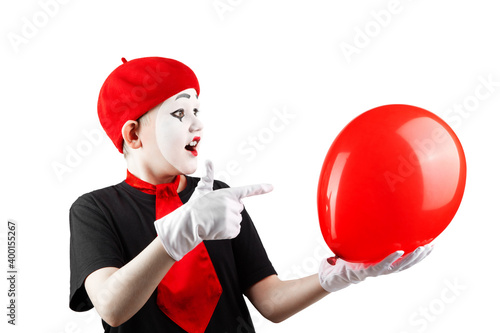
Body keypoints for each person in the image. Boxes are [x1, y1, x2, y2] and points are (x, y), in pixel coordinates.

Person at [69, 56, 433, 333]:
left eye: (197, 109)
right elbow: (111, 307)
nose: (197, 123)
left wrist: (338, 277)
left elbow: (270, 302)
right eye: (179, 112)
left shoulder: (217, 199)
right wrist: (175, 239)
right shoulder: (94, 209)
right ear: (132, 135)